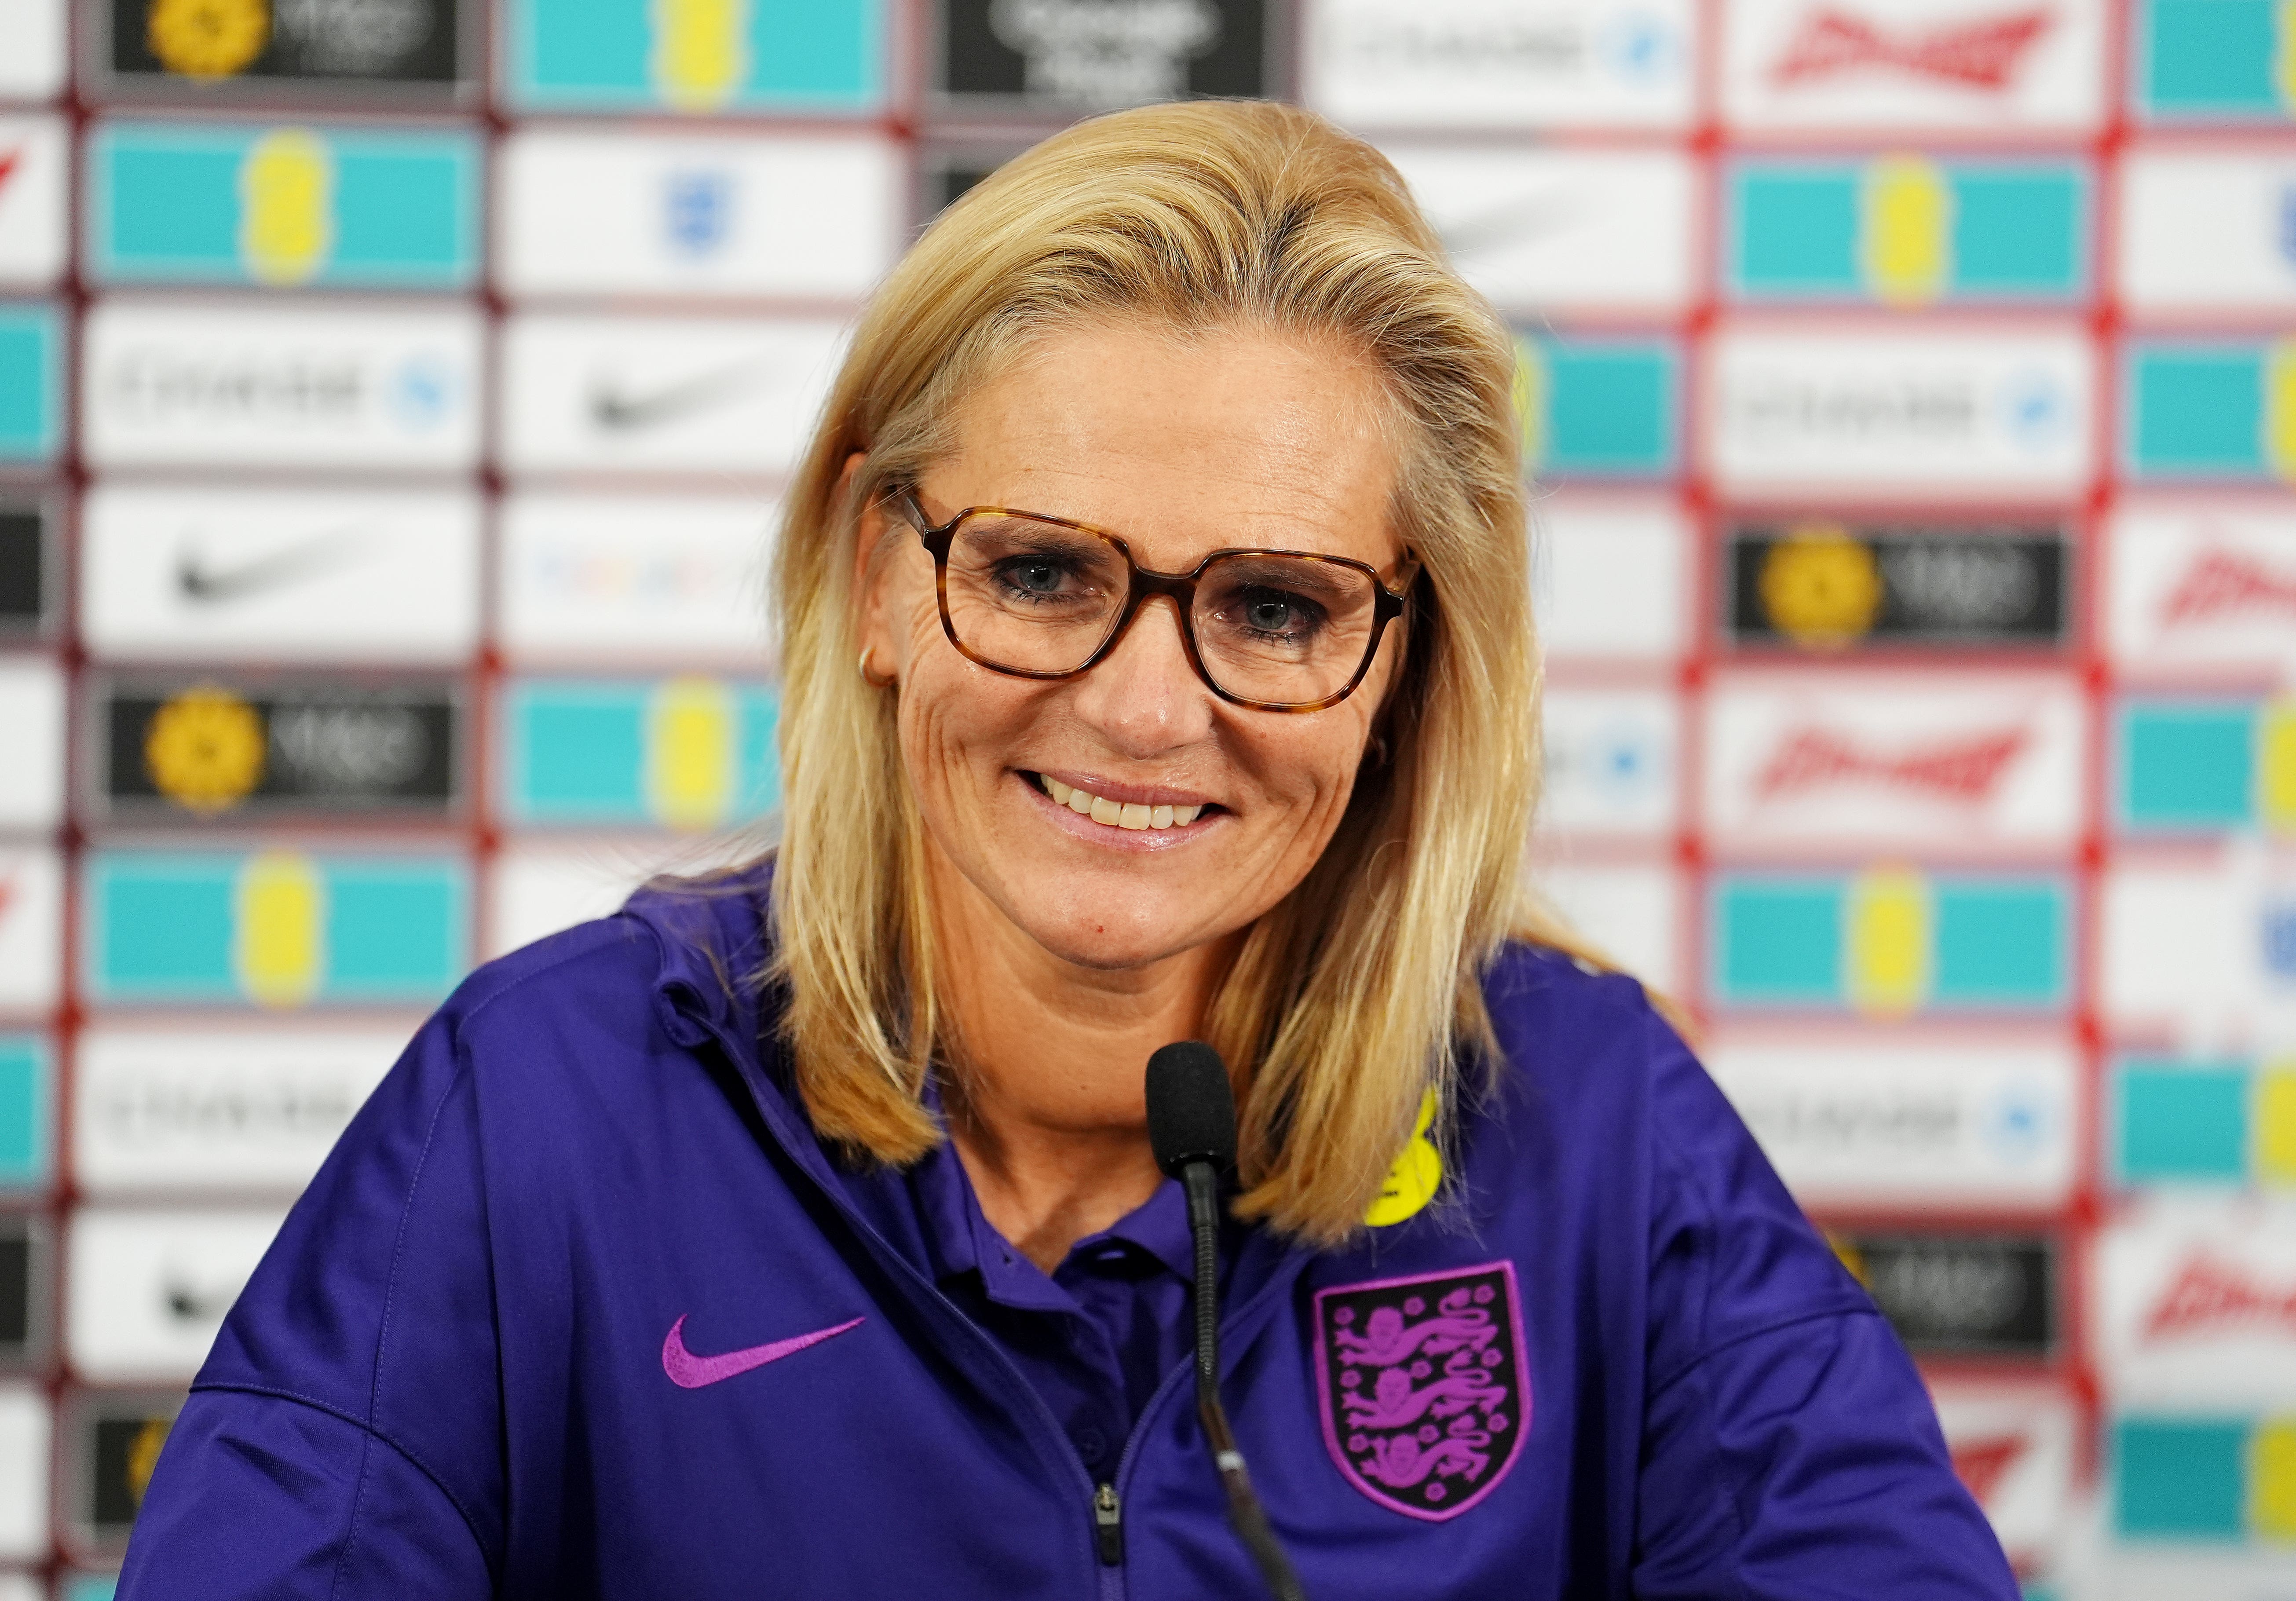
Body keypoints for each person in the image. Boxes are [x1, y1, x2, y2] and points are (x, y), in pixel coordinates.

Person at [119, 102, 2018, 1599]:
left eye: (1273, 607)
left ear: (1402, 667)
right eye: (1041, 573)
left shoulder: (1594, 1126)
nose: (1141, 709)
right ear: (879, 574)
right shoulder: (548, 1104)